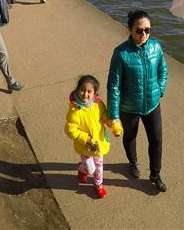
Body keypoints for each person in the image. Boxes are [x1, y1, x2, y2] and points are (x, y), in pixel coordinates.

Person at [107, 10, 168, 192]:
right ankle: (132, 162)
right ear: (130, 29)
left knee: (156, 140)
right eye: (139, 30)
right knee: (130, 137)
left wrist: (160, 90)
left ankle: (155, 175)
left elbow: (163, 71)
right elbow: (114, 85)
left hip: (152, 104)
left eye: (147, 30)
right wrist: (114, 115)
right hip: (129, 107)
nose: (144, 35)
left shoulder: (156, 47)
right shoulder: (121, 53)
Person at [64, 75, 123, 199]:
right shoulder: (75, 110)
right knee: (90, 168)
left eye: (89, 91)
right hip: (85, 145)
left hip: (99, 143)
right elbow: (70, 129)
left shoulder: (98, 104)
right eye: (82, 90)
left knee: (99, 167)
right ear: (77, 90)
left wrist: (114, 126)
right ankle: (82, 168)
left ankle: (98, 184)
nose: (85, 94)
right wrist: (85, 138)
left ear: (95, 93)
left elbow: (105, 116)